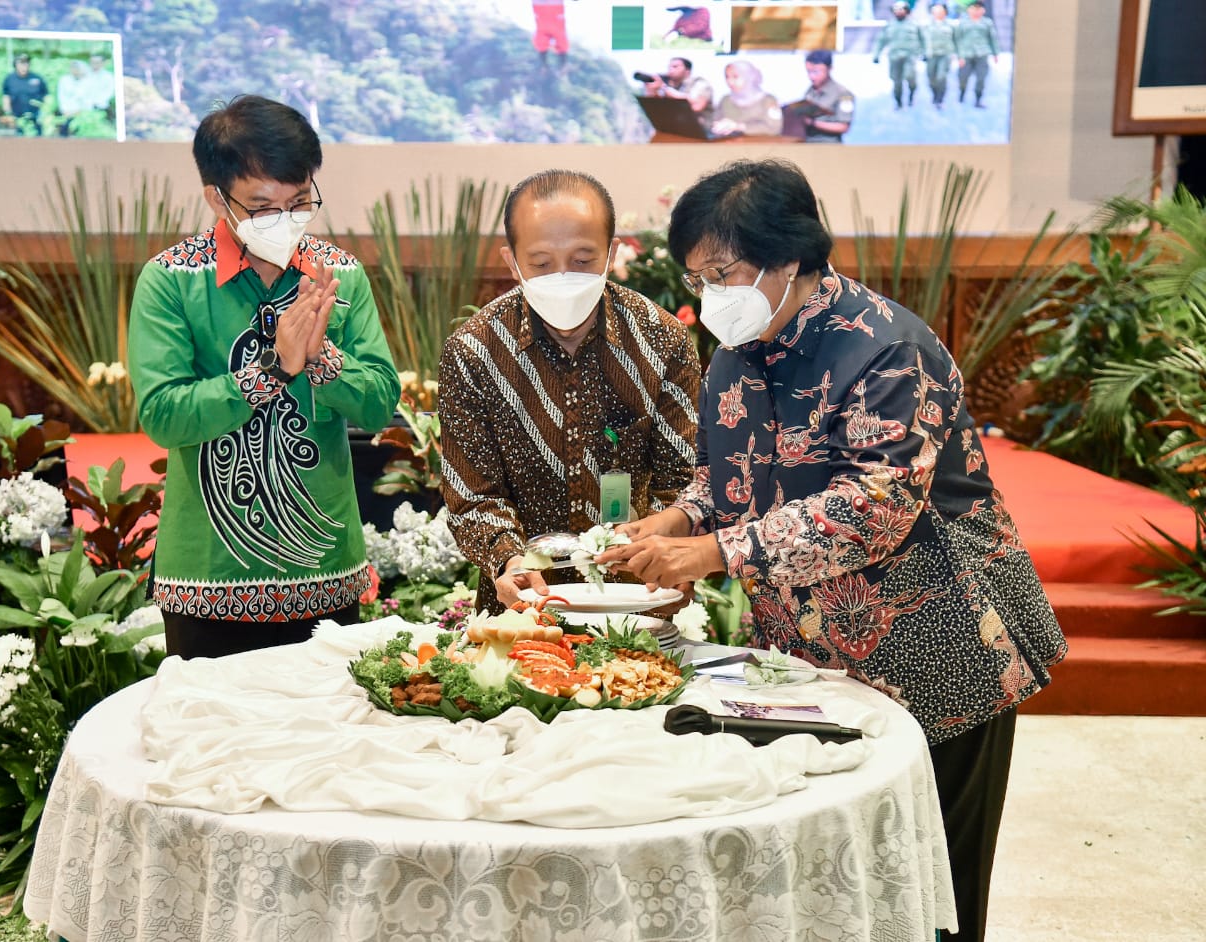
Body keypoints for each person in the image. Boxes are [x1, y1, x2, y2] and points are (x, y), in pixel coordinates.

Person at [597, 159, 1066, 942]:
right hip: (811, 657)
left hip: (939, 640)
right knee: (836, 869)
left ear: (787, 259)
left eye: (724, 273)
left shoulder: (887, 348)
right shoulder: (737, 351)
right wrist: (676, 519)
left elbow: (874, 508)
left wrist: (713, 553)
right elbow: (731, 473)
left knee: (935, 883)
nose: (711, 296)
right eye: (698, 278)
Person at [128, 95, 400, 659]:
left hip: (324, 571)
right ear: (216, 197)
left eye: (300, 202)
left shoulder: (340, 275)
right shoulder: (170, 280)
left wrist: (323, 360)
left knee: (331, 715)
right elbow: (163, 415)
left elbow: (379, 405)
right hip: (208, 577)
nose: (287, 220)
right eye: (263, 206)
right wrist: (271, 368)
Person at [437, 169, 701, 613]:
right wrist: (509, 560)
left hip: (638, 599)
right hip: (522, 608)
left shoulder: (661, 340)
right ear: (512, 262)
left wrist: (665, 551)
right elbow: (473, 494)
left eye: (582, 260)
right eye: (541, 264)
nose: (562, 276)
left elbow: (681, 478)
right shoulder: (474, 351)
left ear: (611, 253)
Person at [873, 1, 924, 109]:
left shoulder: (914, 24)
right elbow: (881, 40)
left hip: (909, 57)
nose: (899, 12)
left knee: (910, 77)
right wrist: (876, 54)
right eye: (896, 10)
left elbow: (923, 39)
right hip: (894, 57)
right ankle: (898, 102)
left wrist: (924, 52)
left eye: (901, 9)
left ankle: (911, 95)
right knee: (897, 81)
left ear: (906, 11)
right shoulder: (890, 25)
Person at [712, 60, 782, 137]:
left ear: (749, 77)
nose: (730, 81)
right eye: (727, 77)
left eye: (735, 76)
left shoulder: (768, 100)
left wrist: (738, 127)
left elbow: (774, 129)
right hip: (729, 143)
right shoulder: (725, 100)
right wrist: (717, 127)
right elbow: (714, 123)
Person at [643, 57, 714, 130]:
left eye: (675, 67)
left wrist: (664, 87)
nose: (670, 70)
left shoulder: (700, 84)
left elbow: (697, 107)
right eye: (669, 67)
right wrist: (653, 91)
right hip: (677, 128)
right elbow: (660, 108)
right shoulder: (672, 86)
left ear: (687, 71)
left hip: (701, 130)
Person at [799, 49, 855, 142]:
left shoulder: (843, 94)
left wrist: (812, 123)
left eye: (816, 72)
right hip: (807, 143)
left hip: (829, 145)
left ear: (830, 69)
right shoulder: (810, 91)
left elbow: (843, 127)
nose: (811, 76)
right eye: (809, 71)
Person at [955, 0, 999, 108]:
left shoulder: (987, 23)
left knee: (981, 78)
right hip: (966, 54)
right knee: (963, 77)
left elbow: (992, 38)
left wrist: (995, 53)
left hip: (982, 54)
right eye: (973, 9)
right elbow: (958, 39)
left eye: (979, 9)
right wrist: (959, 56)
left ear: (983, 10)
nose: (976, 11)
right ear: (969, 10)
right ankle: (962, 93)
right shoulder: (963, 22)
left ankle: (978, 99)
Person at [1, 54, 48, 135]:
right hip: (18, 119)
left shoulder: (37, 78)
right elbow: (6, 97)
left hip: (36, 118)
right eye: (21, 63)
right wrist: (8, 114)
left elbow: (46, 97)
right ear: (15, 65)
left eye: (26, 63)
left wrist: (45, 114)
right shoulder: (9, 79)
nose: (24, 66)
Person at [924, 3, 957, 108]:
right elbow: (922, 40)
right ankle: (934, 94)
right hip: (931, 55)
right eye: (935, 11)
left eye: (940, 11)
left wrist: (956, 54)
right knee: (931, 78)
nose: (938, 13)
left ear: (945, 12)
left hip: (945, 55)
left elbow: (956, 40)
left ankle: (940, 99)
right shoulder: (927, 25)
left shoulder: (951, 25)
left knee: (941, 77)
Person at [56, 60, 88, 135]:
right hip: (65, 112)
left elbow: (87, 99)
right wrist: (65, 111)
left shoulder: (87, 81)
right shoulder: (64, 80)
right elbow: (61, 97)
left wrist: (79, 111)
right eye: (73, 68)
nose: (75, 70)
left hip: (81, 113)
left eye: (77, 68)